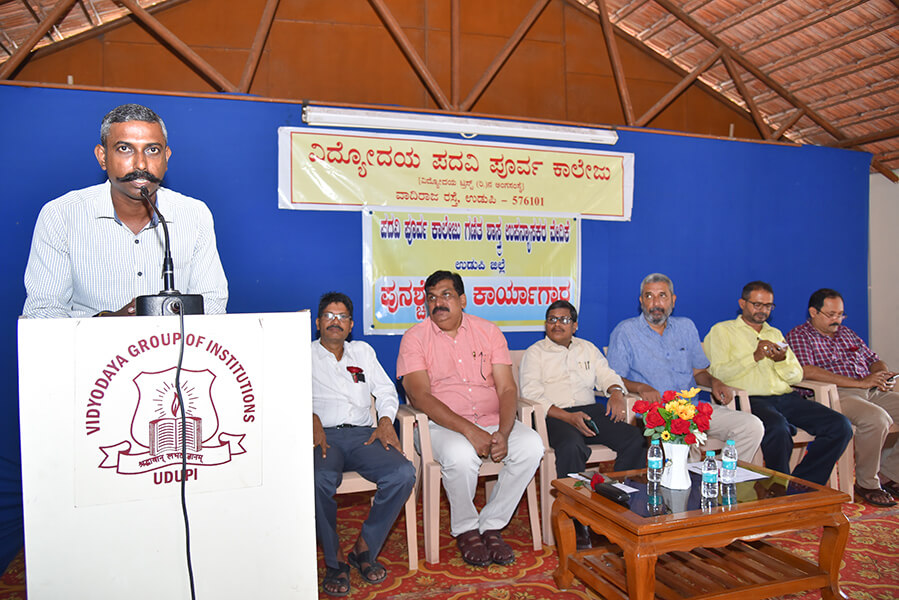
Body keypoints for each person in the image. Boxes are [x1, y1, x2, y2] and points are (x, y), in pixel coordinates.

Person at [23, 103, 227, 318]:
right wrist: (108, 323)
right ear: (102, 157)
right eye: (124, 149)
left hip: (174, 340)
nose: (141, 164)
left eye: (152, 150)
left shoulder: (195, 214)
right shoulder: (61, 215)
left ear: (166, 157)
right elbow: (42, 313)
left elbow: (212, 306)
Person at [397, 270, 542, 567]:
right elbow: (420, 396)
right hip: (439, 425)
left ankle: (491, 524)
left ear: (462, 300)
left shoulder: (488, 331)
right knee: (461, 455)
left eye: (446, 295)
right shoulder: (415, 338)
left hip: (491, 419)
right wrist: (469, 431)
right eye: (431, 298)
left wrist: (504, 432)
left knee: (532, 446)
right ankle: (465, 528)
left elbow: (507, 388)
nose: (438, 303)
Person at [312, 292, 416, 597]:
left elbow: (386, 391)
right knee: (317, 480)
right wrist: (309, 417)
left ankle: (364, 548)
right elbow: (286, 394)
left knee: (403, 473)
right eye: (329, 316)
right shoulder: (302, 354)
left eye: (342, 317)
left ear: (351, 325)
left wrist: (385, 420)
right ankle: (335, 560)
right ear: (318, 323)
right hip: (323, 437)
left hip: (363, 435)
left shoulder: (363, 352)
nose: (335, 322)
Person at [519, 299, 645, 549]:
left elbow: (607, 375)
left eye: (564, 320)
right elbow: (531, 394)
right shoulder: (535, 353)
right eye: (552, 319)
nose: (557, 324)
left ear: (574, 325)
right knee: (572, 446)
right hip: (554, 416)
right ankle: (576, 520)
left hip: (589, 411)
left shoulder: (587, 348)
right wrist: (568, 417)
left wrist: (616, 392)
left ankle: (619, 505)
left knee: (635, 438)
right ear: (546, 324)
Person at [704, 281, 852, 486]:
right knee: (778, 429)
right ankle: (777, 488)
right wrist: (754, 357)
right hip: (750, 400)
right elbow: (718, 372)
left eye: (768, 306)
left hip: (785, 397)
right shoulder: (722, 331)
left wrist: (781, 361)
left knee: (840, 426)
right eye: (757, 304)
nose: (763, 310)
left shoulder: (774, 334)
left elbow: (796, 376)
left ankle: (802, 484)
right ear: (742, 303)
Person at [607, 273, 764, 464]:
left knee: (751, 426)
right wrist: (641, 387)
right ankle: (694, 477)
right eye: (649, 296)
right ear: (641, 301)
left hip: (693, 409)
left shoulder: (686, 327)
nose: (656, 303)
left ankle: (721, 475)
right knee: (684, 447)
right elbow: (614, 378)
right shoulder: (625, 331)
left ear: (673, 300)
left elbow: (699, 372)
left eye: (662, 296)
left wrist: (715, 382)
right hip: (658, 415)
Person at [786, 288, 899, 507]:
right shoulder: (800, 335)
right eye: (831, 314)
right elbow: (807, 371)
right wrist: (860, 383)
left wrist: (881, 374)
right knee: (877, 419)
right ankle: (867, 483)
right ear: (813, 312)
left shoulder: (847, 333)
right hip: (835, 395)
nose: (837, 320)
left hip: (870, 390)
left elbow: (874, 359)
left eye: (840, 314)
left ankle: (891, 474)